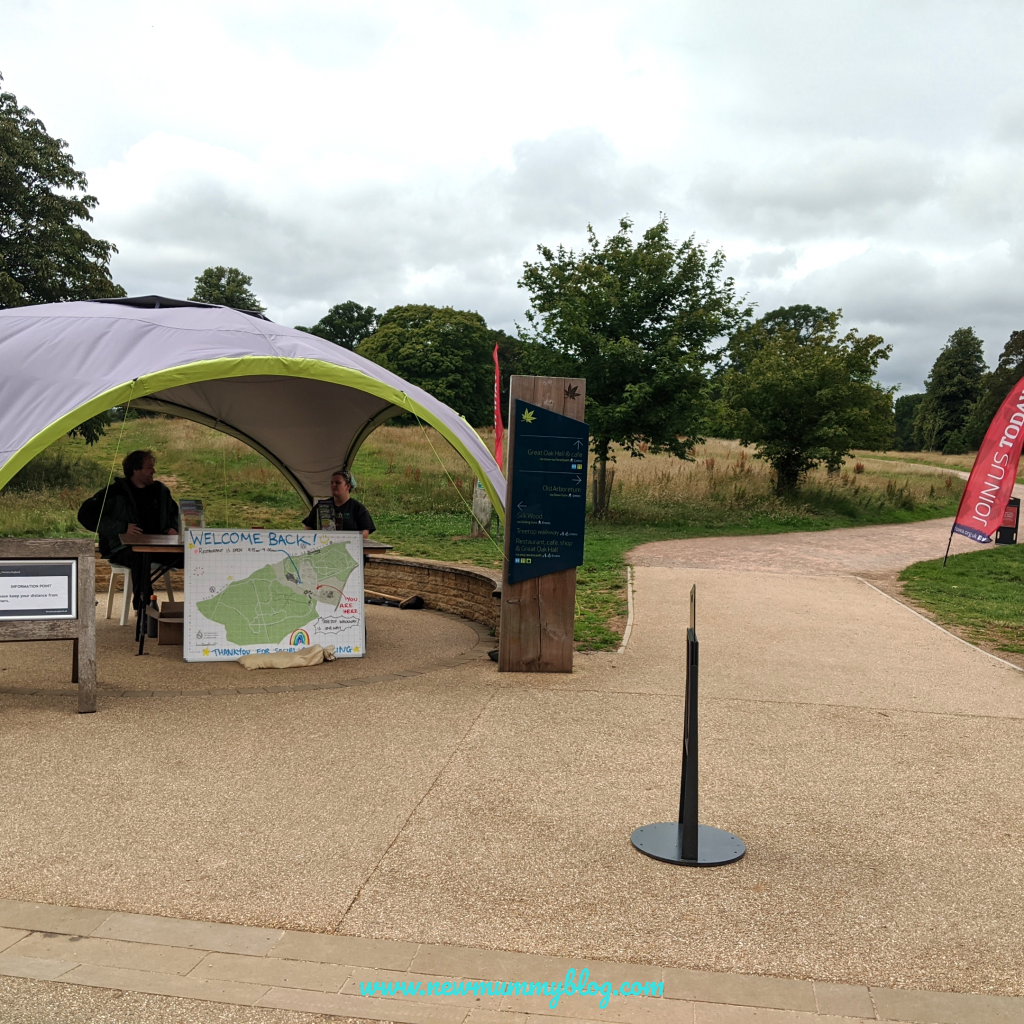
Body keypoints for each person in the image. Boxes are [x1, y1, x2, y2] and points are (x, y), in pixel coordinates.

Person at [97, 450, 182, 607]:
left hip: (160, 548)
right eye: (150, 467)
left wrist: (172, 527)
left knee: (196, 555)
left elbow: (174, 513)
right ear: (136, 470)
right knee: (141, 555)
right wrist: (122, 528)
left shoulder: (161, 491)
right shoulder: (115, 492)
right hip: (123, 549)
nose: (154, 471)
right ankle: (145, 608)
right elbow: (88, 516)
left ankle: (205, 605)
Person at [302, 468, 375, 538]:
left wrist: (348, 538)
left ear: (348, 486)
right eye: (332, 483)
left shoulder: (358, 508)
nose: (333, 485)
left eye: (338, 483)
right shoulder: (321, 506)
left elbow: (365, 532)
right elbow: (308, 526)